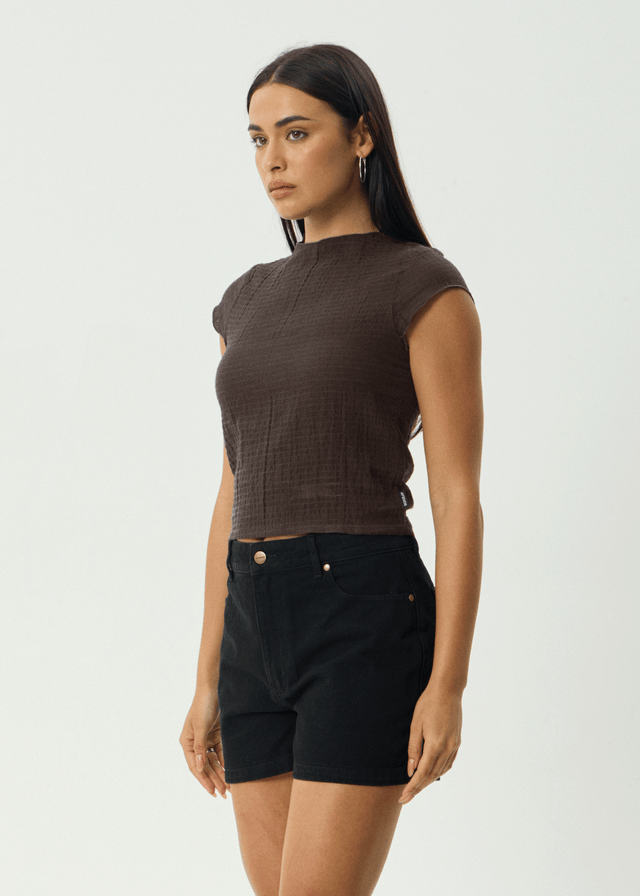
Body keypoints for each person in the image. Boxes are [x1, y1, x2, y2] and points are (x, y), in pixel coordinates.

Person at [179, 42, 483, 896]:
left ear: (361, 136)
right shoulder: (245, 300)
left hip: (361, 609)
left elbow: (458, 496)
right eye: (257, 139)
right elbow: (234, 488)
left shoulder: (421, 285)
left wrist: (448, 684)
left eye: (296, 132)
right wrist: (207, 676)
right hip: (254, 613)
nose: (272, 160)